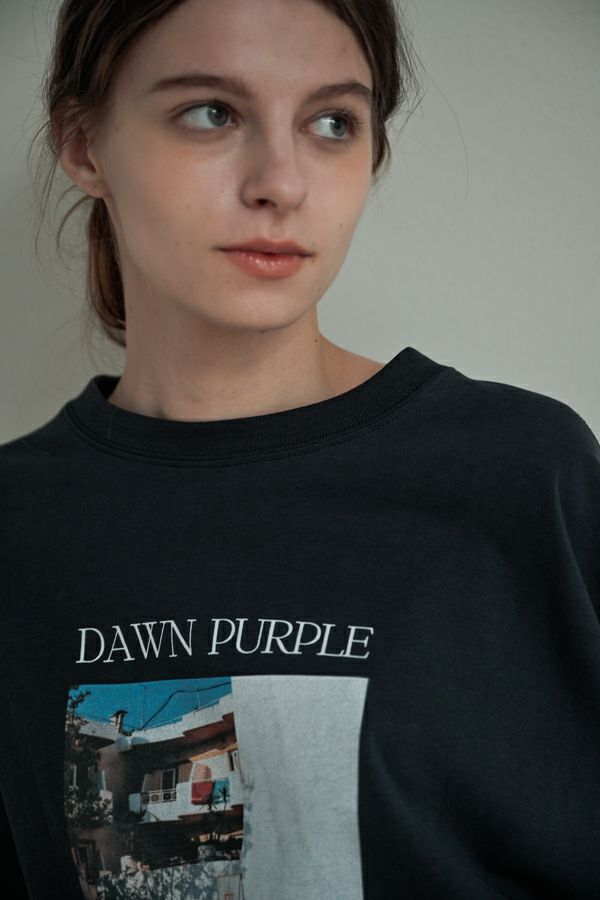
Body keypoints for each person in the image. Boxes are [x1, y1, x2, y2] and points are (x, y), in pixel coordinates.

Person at [1, 1, 599, 898]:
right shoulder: (16, 522)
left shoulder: (523, 473)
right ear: (84, 144)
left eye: (331, 123)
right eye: (211, 112)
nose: (280, 183)